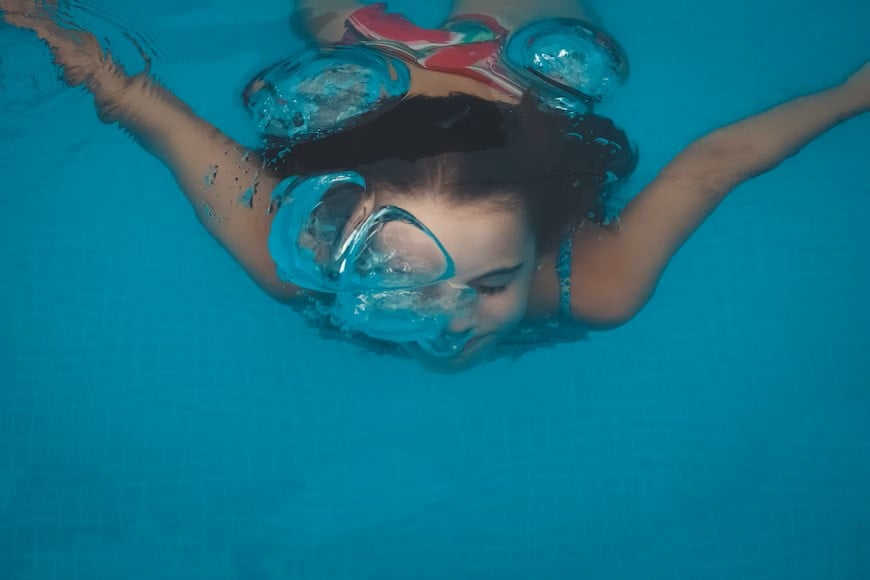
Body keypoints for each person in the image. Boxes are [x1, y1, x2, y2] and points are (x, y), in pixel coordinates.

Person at [2, 0, 868, 371]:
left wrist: (851, 92)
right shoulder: (307, 251)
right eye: (414, 275)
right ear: (343, 228)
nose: (456, 315)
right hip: (415, 79)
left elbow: (141, 106)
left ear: (545, 244)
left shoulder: (593, 277)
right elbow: (713, 159)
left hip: (483, 67)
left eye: (493, 282)